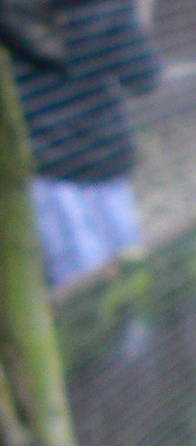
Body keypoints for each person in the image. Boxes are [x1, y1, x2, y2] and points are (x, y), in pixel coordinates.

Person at [11, 0, 158, 288]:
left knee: (79, 291)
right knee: (129, 281)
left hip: (46, 171)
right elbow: (144, 78)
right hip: (103, 159)